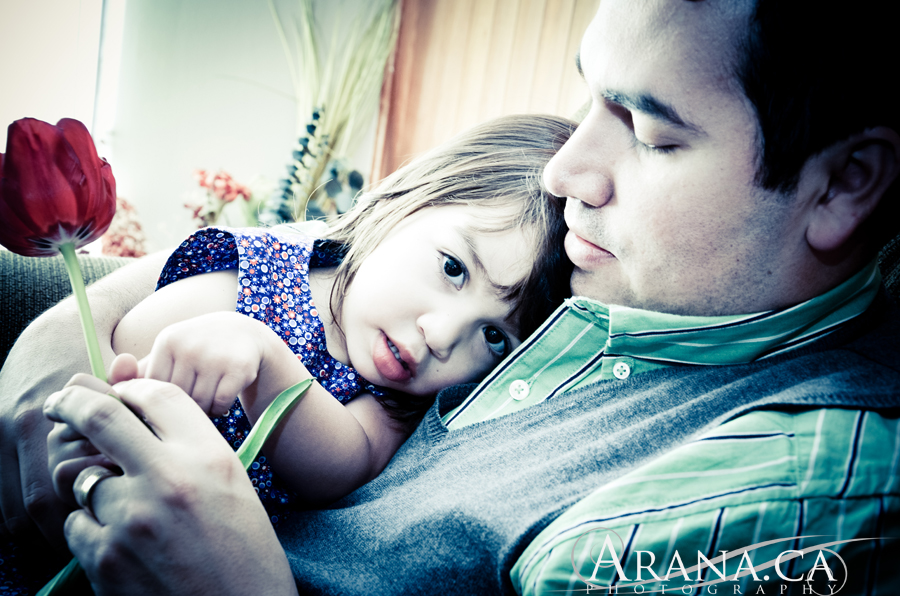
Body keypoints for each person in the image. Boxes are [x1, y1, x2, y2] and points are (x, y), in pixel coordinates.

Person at [4, 0, 900, 593]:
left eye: (654, 136)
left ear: (845, 183)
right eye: (590, 99)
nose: (567, 171)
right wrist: (44, 372)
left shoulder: (789, 481)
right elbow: (241, 266)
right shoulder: (608, 250)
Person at [0, 113, 575, 589]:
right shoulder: (274, 262)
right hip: (87, 477)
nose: (442, 336)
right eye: (453, 269)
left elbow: (339, 468)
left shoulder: (395, 396)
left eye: (494, 336)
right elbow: (130, 335)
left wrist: (267, 362)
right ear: (404, 205)